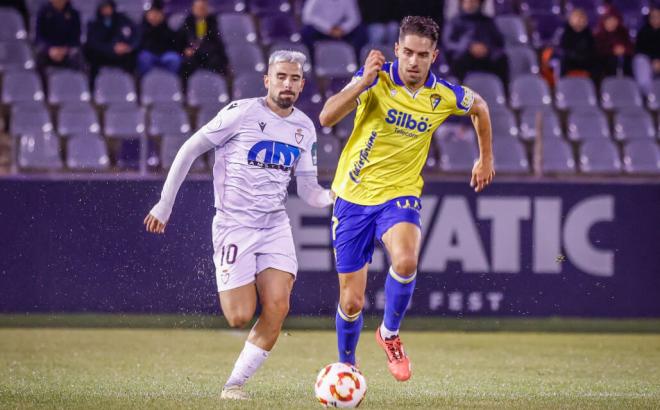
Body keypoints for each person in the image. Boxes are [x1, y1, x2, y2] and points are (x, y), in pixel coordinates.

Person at [144, 50, 333, 400]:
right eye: (281, 77)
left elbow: (308, 189)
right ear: (267, 80)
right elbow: (189, 149)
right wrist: (165, 203)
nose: (287, 84)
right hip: (234, 226)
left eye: (294, 78)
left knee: (278, 306)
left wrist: (333, 197)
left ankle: (234, 385)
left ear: (302, 84)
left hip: (275, 226)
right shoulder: (241, 113)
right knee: (239, 316)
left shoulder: (305, 127)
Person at [319, 15, 494, 382]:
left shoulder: (443, 95)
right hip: (352, 197)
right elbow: (327, 116)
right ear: (396, 50)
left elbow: (480, 107)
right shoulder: (375, 81)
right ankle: (347, 365)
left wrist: (485, 157)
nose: (414, 61)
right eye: (408, 52)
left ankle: (389, 333)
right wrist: (362, 82)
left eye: (423, 54)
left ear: (434, 56)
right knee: (351, 301)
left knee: (406, 259)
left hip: (400, 193)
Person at [442, 0, 508, 82]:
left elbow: (499, 42)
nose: (471, 4)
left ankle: (505, 92)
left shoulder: (487, 21)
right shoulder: (454, 22)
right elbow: (448, 44)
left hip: (486, 57)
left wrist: (487, 49)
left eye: (474, 1)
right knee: (457, 61)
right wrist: (468, 48)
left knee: (502, 59)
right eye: (468, 1)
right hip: (465, 56)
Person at [84, 0, 139, 80]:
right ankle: (93, 87)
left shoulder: (123, 19)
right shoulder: (94, 22)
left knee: (133, 57)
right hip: (103, 54)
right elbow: (92, 42)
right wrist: (112, 48)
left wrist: (129, 47)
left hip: (122, 54)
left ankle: (131, 84)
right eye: (104, 7)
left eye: (108, 7)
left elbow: (136, 33)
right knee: (91, 54)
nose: (106, 9)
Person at [178, 0, 228, 78]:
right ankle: (187, 88)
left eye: (202, 8)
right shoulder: (188, 22)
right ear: (193, 9)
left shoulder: (212, 22)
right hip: (193, 54)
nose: (200, 11)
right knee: (187, 63)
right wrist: (185, 49)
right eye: (198, 8)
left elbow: (217, 42)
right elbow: (180, 39)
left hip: (209, 53)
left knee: (217, 62)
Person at [301, 0, 367, 59]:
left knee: (361, 31)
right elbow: (307, 16)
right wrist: (329, 28)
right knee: (306, 32)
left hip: (340, 30)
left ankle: (357, 61)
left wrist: (343, 29)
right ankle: (311, 62)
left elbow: (355, 18)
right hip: (321, 29)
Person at [137, 0, 182, 76]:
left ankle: (172, 83)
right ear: (147, 15)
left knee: (174, 59)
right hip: (148, 54)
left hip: (165, 55)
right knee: (144, 57)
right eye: (151, 13)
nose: (154, 16)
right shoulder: (140, 29)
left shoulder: (168, 29)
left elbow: (174, 46)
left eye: (157, 13)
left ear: (162, 15)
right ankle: (141, 83)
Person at [35, 0, 83, 71]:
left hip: (66, 49)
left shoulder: (74, 13)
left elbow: (76, 37)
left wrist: (65, 49)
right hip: (49, 49)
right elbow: (39, 36)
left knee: (77, 57)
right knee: (39, 57)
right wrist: (49, 49)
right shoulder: (43, 12)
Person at [594, 5, 633, 78]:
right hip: (605, 64)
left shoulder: (623, 33)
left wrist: (624, 50)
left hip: (623, 61)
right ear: (603, 21)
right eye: (609, 20)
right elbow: (597, 51)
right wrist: (612, 50)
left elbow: (631, 47)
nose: (612, 22)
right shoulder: (598, 35)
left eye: (614, 20)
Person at [558, 8, 596, 78]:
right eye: (576, 17)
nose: (579, 20)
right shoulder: (565, 34)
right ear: (570, 19)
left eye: (581, 17)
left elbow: (592, 51)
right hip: (569, 62)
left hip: (586, 62)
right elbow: (563, 50)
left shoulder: (589, 35)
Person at [633, 4, 660, 93]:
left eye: (658, 16)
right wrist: (653, 60)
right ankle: (649, 95)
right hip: (648, 62)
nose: (656, 19)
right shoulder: (643, 32)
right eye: (653, 17)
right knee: (640, 60)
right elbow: (640, 50)